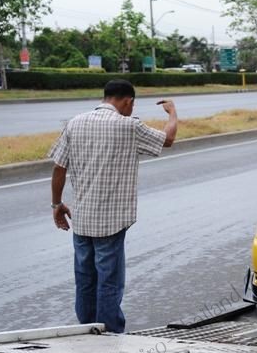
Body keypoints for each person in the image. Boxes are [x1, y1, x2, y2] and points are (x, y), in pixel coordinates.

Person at [48, 79, 178, 333]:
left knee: (85, 280)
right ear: (128, 101)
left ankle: (86, 330)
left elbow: (59, 168)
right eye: (132, 105)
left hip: (81, 219)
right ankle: (109, 334)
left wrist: (56, 203)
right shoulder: (129, 126)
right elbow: (168, 139)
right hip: (111, 222)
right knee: (109, 282)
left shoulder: (74, 123)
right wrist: (172, 112)